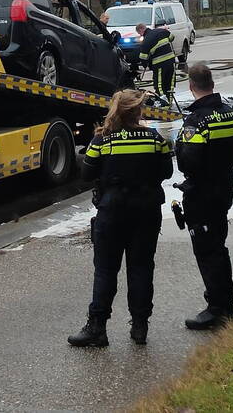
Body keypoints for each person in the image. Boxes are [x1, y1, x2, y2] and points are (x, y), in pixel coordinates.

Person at [67, 90, 174, 348]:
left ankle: (97, 328)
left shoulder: (103, 140)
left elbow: (86, 173)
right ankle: (140, 326)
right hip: (147, 212)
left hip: (112, 212)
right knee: (141, 268)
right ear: (138, 112)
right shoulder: (154, 138)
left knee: (105, 270)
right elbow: (167, 172)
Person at [175, 63, 233, 330]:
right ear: (211, 83)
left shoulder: (196, 121)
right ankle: (226, 303)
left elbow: (187, 163)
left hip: (202, 194)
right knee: (218, 245)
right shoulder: (232, 114)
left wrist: (180, 145)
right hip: (224, 188)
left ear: (192, 86)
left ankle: (218, 308)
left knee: (208, 251)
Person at [136, 22, 176, 105]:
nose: (140, 36)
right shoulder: (161, 31)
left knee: (159, 85)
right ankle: (170, 103)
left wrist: (145, 65)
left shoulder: (146, 40)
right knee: (170, 83)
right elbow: (172, 37)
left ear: (141, 30)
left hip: (159, 64)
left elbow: (143, 57)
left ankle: (164, 104)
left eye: (139, 34)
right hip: (171, 61)